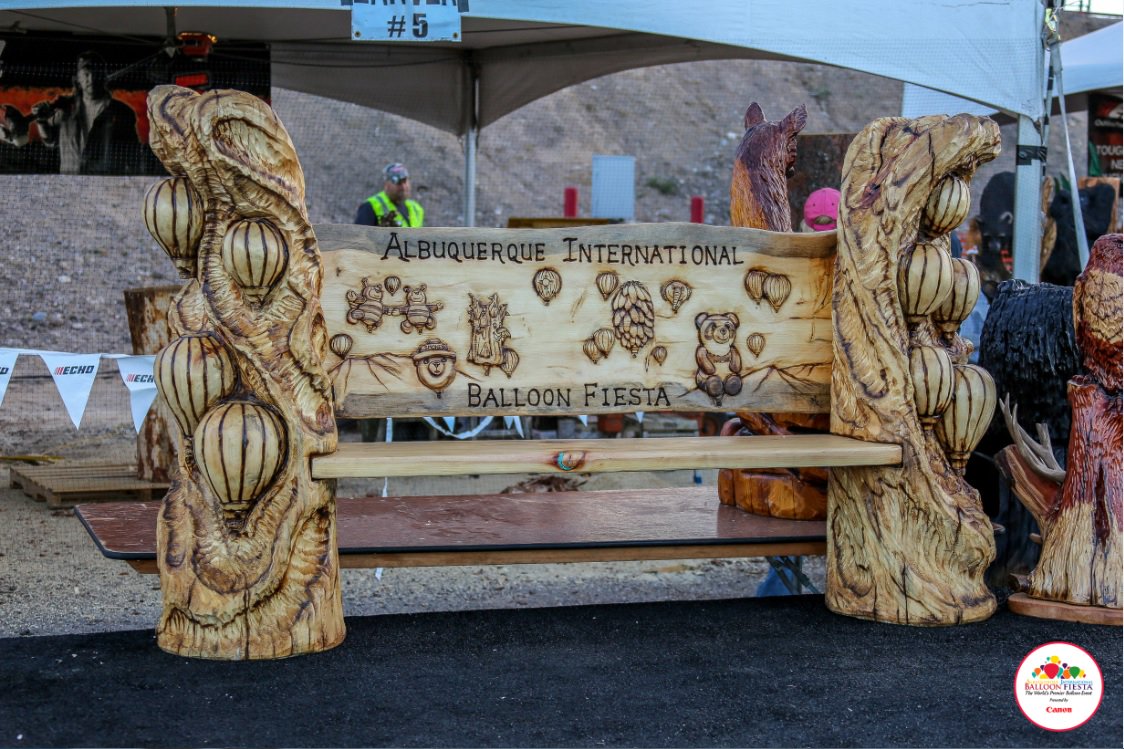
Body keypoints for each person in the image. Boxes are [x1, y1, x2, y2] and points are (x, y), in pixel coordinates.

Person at [0, 51, 144, 175]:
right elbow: (50, 141)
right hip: (70, 184)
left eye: (96, 73)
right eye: (86, 74)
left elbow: (133, 157)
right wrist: (42, 121)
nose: (91, 78)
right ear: (78, 79)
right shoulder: (66, 108)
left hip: (104, 185)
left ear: (103, 76)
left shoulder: (122, 113)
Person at [355, 162, 425, 227]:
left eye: (405, 181)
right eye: (398, 183)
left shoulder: (416, 209)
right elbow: (358, 234)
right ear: (386, 184)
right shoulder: (370, 206)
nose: (403, 187)